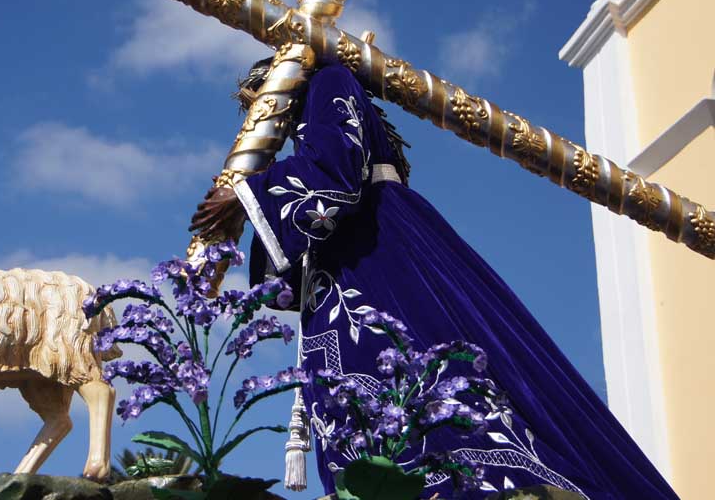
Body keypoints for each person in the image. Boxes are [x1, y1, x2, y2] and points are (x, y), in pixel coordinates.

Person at [190, 62, 678, 499]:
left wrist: (247, 194)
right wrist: (256, 203)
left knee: (416, 373)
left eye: (266, 113)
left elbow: (336, 168)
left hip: (379, 256)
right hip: (344, 261)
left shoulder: (327, 81)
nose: (270, 132)